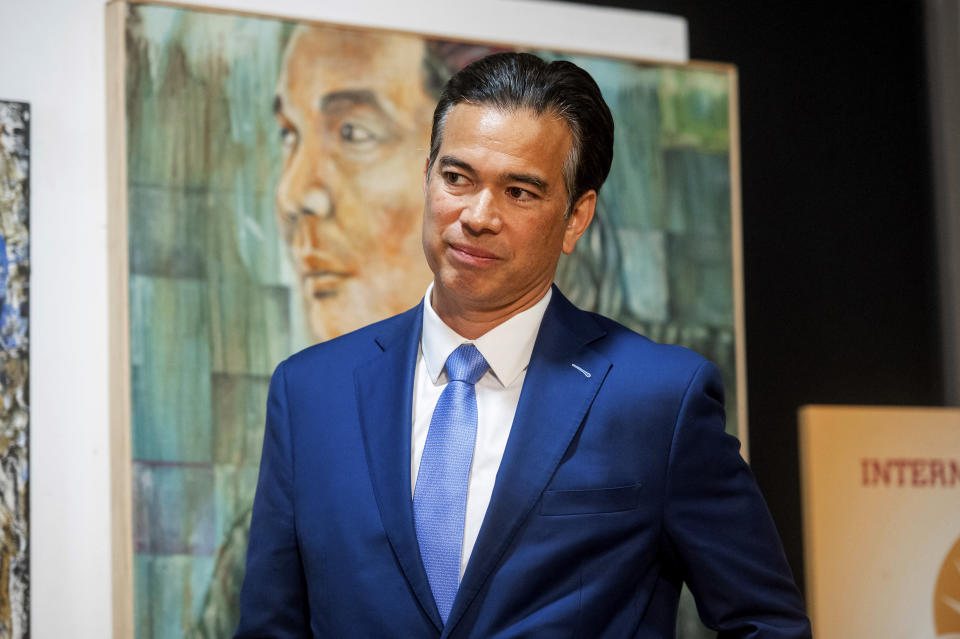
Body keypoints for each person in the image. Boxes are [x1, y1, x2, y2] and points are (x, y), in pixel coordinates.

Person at [236, 52, 811, 637]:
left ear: (576, 217)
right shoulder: (310, 391)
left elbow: (766, 623)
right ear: (428, 176)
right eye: (457, 178)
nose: (477, 216)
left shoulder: (660, 400)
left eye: (519, 191)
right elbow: (270, 626)